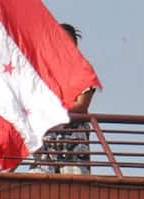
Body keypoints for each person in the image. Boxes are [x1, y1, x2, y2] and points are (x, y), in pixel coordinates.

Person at [35, 23, 97, 175]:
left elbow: (82, 105)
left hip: (72, 136)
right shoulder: (44, 71)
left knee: (74, 184)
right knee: (39, 186)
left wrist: (52, 108)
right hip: (47, 134)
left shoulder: (82, 69)